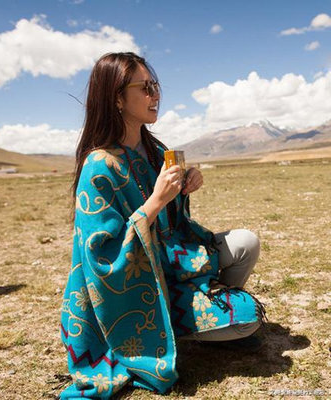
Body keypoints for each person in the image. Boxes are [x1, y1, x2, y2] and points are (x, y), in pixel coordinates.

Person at [59, 52, 265, 399]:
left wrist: (183, 190)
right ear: (117, 98)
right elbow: (102, 258)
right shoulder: (98, 166)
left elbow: (172, 221)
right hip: (134, 293)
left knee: (246, 242)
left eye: (156, 86)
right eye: (146, 87)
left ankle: (204, 302)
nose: (156, 95)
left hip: (172, 263)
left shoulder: (155, 150)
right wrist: (155, 201)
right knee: (247, 318)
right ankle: (171, 333)